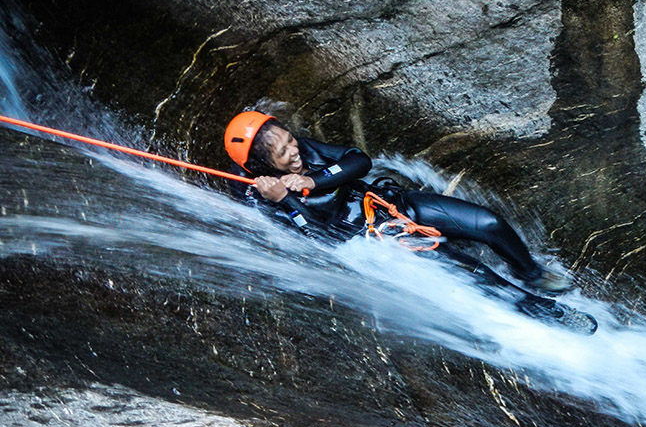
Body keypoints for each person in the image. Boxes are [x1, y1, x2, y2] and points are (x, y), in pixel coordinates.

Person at [223, 109, 573, 293]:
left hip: (390, 204)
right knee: (470, 271)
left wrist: (312, 179)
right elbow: (320, 237)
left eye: (289, 141)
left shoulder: (306, 151)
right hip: (376, 241)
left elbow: (358, 161)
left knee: (489, 223)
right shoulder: (263, 200)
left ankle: (530, 273)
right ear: (259, 165)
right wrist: (285, 197)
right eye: (282, 153)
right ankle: (530, 309)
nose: (293, 151)